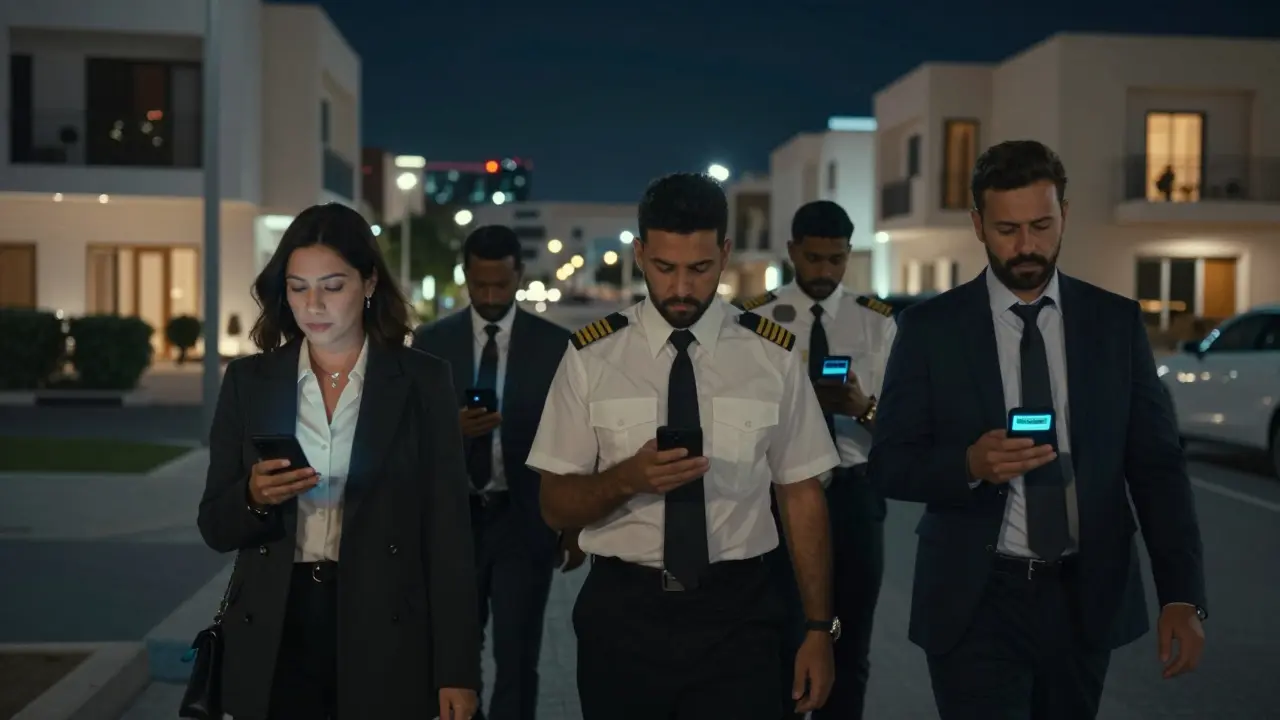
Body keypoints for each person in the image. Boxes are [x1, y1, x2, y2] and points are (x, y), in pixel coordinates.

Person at [867, 140, 1208, 720]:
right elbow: (889, 463)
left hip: (1084, 598)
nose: (1026, 245)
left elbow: (1157, 467)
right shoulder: (929, 329)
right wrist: (968, 465)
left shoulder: (1114, 323)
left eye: (1041, 226)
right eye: (1007, 229)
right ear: (978, 224)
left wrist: (1182, 594)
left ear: (1064, 216)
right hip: (975, 603)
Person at [527, 172, 840, 720]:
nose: (680, 288)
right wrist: (628, 479)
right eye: (663, 267)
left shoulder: (772, 356)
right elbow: (555, 505)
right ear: (640, 254)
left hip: (740, 615)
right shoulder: (591, 356)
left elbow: (801, 494)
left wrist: (818, 628)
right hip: (623, 616)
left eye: (699, 269)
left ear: (725, 254)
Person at [196, 202, 481, 720]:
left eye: (332, 286)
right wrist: (254, 497)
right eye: (298, 287)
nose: (314, 305)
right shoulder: (249, 382)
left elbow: (449, 534)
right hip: (277, 626)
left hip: (385, 622)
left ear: (368, 283)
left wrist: (457, 669)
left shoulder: (421, 380)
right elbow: (215, 525)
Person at [412, 224, 583, 720]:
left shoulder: (554, 345)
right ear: (465, 276)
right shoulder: (430, 342)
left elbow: (575, 438)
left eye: (500, 285)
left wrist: (573, 525)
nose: (489, 297)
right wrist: (452, 428)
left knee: (518, 655)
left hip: (522, 519)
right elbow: (406, 434)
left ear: (518, 275)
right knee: (454, 659)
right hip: (454, 523)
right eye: (479, 285)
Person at [736, 199, 895, 720]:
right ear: (792, 251)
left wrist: (862, 408)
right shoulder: (755, 319)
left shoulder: (876, 323)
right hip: (776, 497)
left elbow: (904, 431)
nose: (825, 271)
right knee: (780, 639)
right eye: (813, 258)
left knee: (849, 641)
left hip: (853, 495)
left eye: (836, 259)